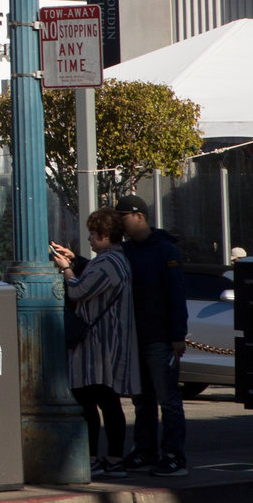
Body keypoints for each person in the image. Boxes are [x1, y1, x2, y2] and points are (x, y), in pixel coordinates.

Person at [52, 209, 140, 476]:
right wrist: (76, 260)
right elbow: (91, 279)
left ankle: (101, 458)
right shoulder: (114, 259)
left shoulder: (108, 263)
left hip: (99, 345)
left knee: (92, 399)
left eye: (92, 234)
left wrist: (66, 268)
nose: (89, 239)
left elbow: (79, 289)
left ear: (104, 235)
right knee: (103, 400)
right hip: (105, 342)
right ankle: (110, 459)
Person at [115, 195, 187, 475]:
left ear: (139, 216)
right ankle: (145, 450)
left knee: (168, 399)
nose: (120, 224)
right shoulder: (126, 251)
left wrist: (177, 335)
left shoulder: (165, 251)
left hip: (160, 337)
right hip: (136, 337)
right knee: (142, 399)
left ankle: (174, 456)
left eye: (123, 218)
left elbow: (176, 294)